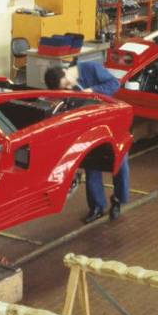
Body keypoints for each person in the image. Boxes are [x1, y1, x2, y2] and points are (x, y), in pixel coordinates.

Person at [43, 63, 130, 224]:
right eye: (65, 88)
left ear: (65, 72)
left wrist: (92, 91)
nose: (69, 88)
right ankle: (96, 207)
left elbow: (114, 84)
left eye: (68, 84)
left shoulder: (91, 69)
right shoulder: (66, 88)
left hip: (112, 120)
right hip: (91, 127)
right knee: (92, 165)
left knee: (120, 163)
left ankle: (118, 199)